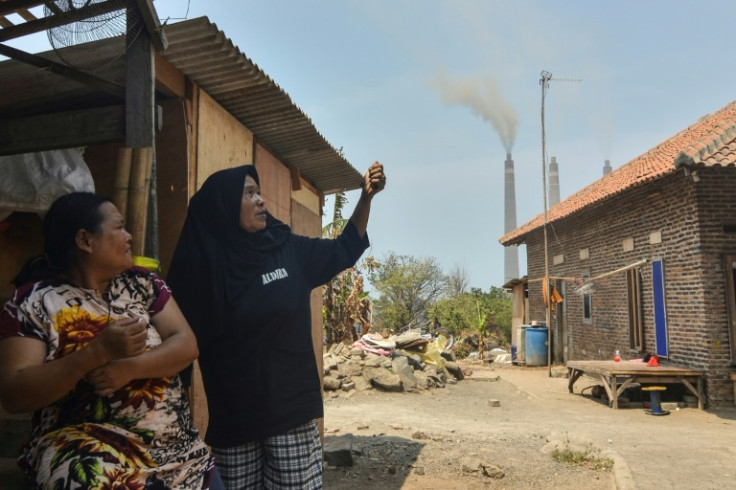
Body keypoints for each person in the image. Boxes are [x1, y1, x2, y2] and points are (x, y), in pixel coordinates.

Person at [167, 161, 386, 489]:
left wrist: (366, 198)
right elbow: (179, 349)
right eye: (248, 193)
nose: (260, 200)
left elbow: (344, 249)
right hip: (233, 423)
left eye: (259, 192)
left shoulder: (286, 249)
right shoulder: (201, 269)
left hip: (289, 415)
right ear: (223, 206)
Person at [0, 192, 222, 489]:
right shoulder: (34, 301)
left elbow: (186, 344)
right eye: (119, 227)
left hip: (176, 450)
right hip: (87, 451)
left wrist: (129, 368)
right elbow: (15, 393)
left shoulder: (142, 283)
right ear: (85, 241)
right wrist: (95, 353)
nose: (129, 236)